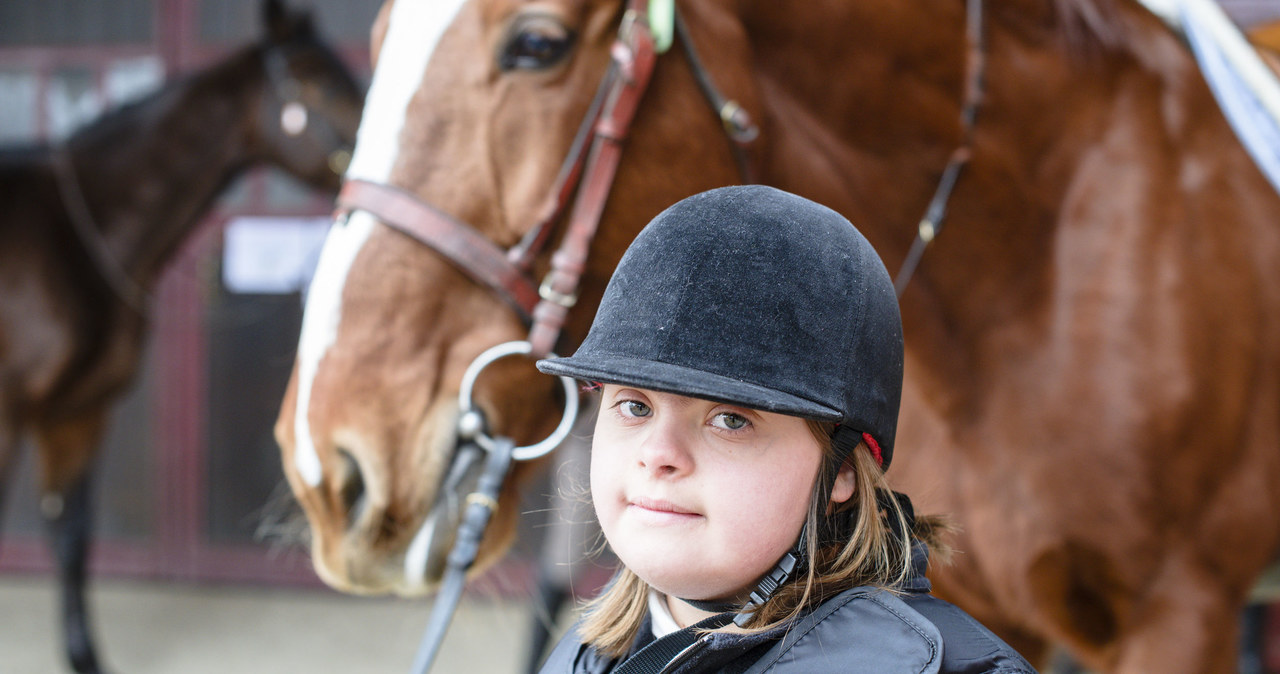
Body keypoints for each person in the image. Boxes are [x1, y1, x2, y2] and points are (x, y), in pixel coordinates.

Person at [534, 185, 1036, 673]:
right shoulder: (582, 657)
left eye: (731, 420)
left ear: (842, 471)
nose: (658, 453)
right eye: (635, 407)